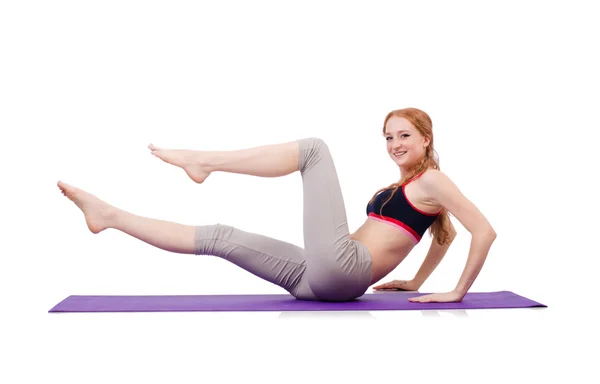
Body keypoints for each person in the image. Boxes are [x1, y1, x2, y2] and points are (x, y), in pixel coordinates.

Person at [57, 107, 496, 303]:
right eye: (388, 136)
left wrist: (457, 292)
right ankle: (109, 216)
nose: (394, 144)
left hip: (344, 268)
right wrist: (414, 281)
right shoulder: (414, 187)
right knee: (220, 237)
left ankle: (203, 160)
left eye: (404, 135)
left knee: (314, 150)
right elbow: (445, 234)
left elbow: (483, 230)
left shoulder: (434, 179)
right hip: (321, 279)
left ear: (426, 139)